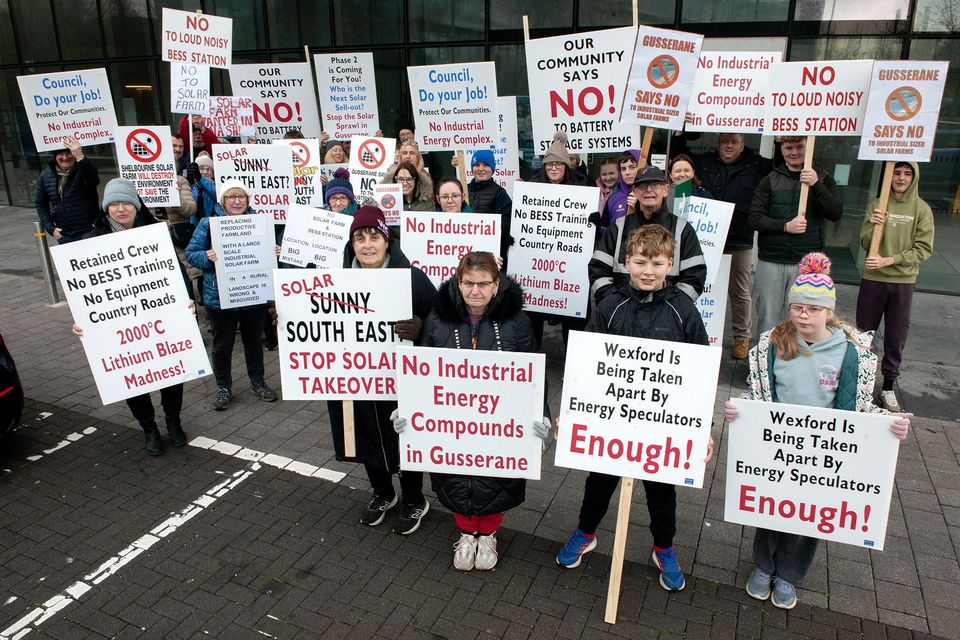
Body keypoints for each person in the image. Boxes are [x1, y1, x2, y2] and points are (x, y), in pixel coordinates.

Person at [724, 252, 911, 609]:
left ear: (829, 311)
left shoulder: (849, 352)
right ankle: (763, 566)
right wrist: (740, 410)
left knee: (810, 516)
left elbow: (859, 407)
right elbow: (758, 394)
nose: (803, 315)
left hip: (822, 455)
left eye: (812, 309)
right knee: (769, 508)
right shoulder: (773, 346)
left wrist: (890, 427)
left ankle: (789, 575)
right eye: (797, 307)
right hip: (777, 448)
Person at [557, 225, 713, 591]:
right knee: (599, 482)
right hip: (611, 421)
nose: (648, 270)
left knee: (662, 492)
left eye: (657, 263)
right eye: (640, 261)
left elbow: (700, 372)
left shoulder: (683, 310)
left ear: (670, 264)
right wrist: (571, 412)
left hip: (663, 424)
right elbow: (585, 365)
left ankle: (664, 548)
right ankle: (586, 532)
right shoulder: (610, 306)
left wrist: (703, 429)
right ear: (626, 262)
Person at [392, 251, 550, 571]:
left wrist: (541, 414)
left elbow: (535, 374)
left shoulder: (517, 322)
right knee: (455, 477)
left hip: (499, 422)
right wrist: (407, 410)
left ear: (496, 285)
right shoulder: (438, 319)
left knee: (495, 478)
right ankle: (466, 533)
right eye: (468, 283)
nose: (475, 291)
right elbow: (421, 369)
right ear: (458, 281)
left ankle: (488, 534)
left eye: (483, 284)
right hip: (452, 422)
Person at [328, 206, 436, 534]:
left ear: (387, 241)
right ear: (352, 244)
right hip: (354, 377)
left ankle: (414, 497)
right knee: (362, 434)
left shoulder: (412, 278)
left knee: (404, 434)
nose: (367, 244)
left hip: (401, 379)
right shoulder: (335, 280)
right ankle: (382, 492)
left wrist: (422, 329)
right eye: (359, 238)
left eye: (374, 236)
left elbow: (441, 322)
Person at [73, 179, 192, 455]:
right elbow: (82, 288)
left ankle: (173, 420)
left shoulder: (156, 234)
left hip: (160, 318)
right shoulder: (90, 241)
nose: (120, 209)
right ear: (106, 208)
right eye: (114, 204)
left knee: (171, 372)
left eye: (126, 202)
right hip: (120, 325)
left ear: (137, 206)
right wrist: (80, 320)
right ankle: (148, 427)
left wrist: (187, 301)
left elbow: (178, 271)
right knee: (132, 376)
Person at [673, 130, 773, 360]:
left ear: (742, 144)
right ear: (718, 144)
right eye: (724, 141)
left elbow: (778, 165)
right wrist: (680, 132)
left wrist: (778, 140)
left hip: (739, 238)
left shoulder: (756, 164)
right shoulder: (705, 162)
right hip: (706, 239)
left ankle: (741, 337)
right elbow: (682, 160)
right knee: (703, 286)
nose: (728, 146)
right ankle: (704, 331)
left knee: (740, 291)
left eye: (734, 142)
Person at [185, 179, 280, 411]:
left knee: (253, 343)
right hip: (220, 297)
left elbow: (268, 254)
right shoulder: (209, 223)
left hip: (252, 295)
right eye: (231, 197)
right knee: (222, 345)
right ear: (222, 201)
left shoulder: (259, 222)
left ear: (247, 200)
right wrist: (207, 257)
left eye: (241, 197)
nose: (236, 201)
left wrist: (275, 251)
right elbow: (191, 253)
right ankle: (224, 387)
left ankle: (258, 382)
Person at [855, 162, 934, 412]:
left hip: (902, 282)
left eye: (907, 173)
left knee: (896, 334)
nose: (901, 178)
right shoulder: (878, 204)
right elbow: (866, 242)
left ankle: (888, 386)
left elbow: (923, 249)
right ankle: (860, 382)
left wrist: (890, 260)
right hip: (873, 280)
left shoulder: (922, 209)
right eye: (897, 173)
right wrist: (873, 224)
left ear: (914, 177)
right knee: (863, 332)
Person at [749, 136, 842, 337]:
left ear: (808, 148)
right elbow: (754, 218)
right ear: (781, 150)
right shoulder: (770, 180)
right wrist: (785, 226)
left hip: (806, 263)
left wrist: (816, 185)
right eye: (788, 147)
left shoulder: (823, 178)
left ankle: (793, 362)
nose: (794, 152)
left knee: (801, 318)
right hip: (771, 260)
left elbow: (835, 213)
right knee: (768, 317)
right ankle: (765, 362)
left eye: (799, 147)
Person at [589, 166, 707, 306]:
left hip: (665, 319)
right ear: (635, 191)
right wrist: (616, 305)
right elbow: (598, 271)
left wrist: (671, 309)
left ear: (665, 189)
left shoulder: (683, 229)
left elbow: (694, 278)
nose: (649, 190)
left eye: (656, 185)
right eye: (643, 185)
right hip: (622, 317)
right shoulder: (618, 227)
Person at [35, 135, 100, 244]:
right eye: (61, 154)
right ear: (55, 156)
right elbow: (40, 203)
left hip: (89, 231)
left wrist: (80, 156)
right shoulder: (45, 175)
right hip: (64, 234)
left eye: (69, 152)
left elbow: (93, 181)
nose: (65, 157)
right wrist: (50, 228)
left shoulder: (84, 169)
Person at [601, 149, 642, 230]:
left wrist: (640, 209)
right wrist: (597, 228)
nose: (627, 172)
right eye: (623, 169)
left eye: (632, 167)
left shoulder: (651, 195)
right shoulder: (613, 199)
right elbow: (606, 233)